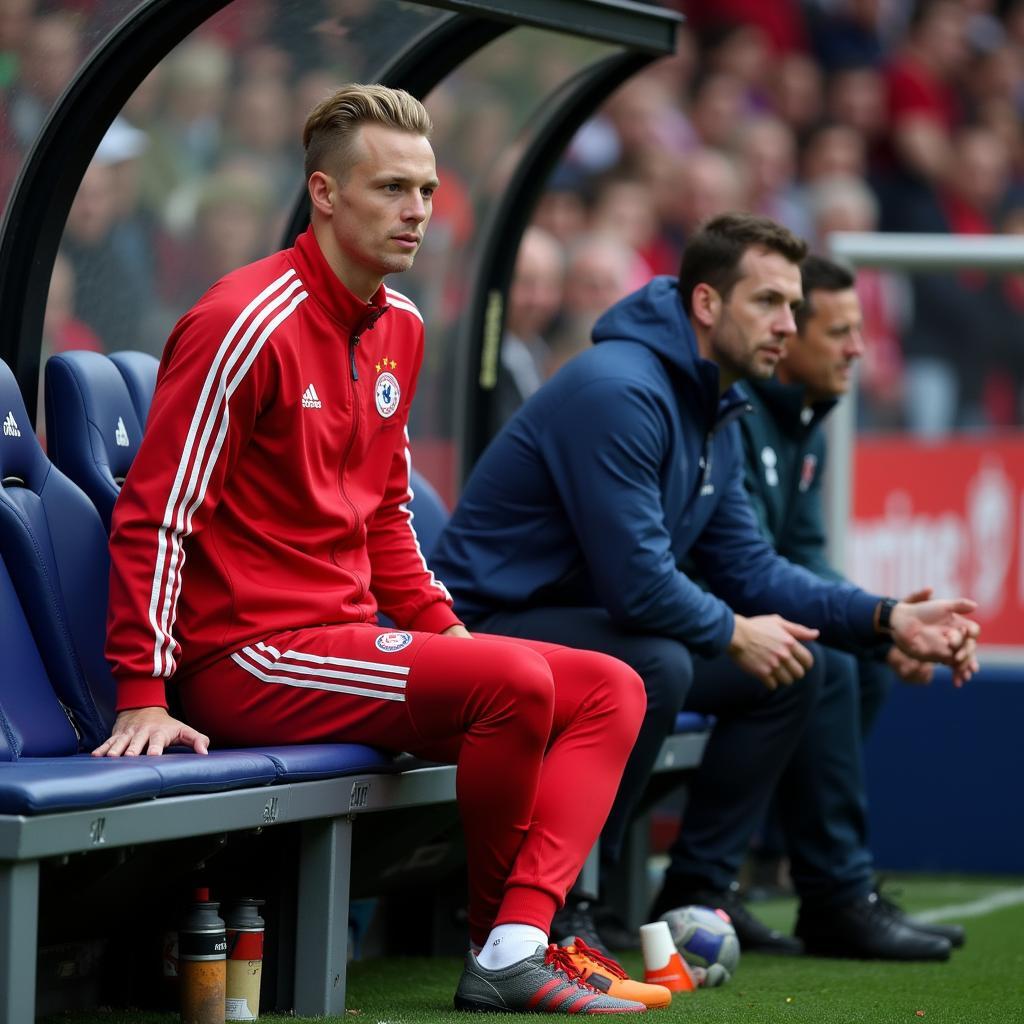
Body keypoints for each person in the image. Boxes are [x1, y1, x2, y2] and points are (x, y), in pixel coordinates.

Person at [95, 83, 658, 1015]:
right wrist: (144, 691)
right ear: (323, 192)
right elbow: (157, 515)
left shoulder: (401, 325)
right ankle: (496, 951)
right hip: (247, 656)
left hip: (343, 643)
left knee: (613, 687)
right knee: (515, 684)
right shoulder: (244, 322)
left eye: (428, 191)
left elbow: (386, 520)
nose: (417, 213)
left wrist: (452, 636)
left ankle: (522, 939)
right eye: (392, 188)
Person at [429, 212, 979, 961]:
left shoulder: (714, 404)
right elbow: (638, 586)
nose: (787, 324)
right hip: (480, 631)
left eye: (792, 306)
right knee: (659, 661)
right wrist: (733, 631)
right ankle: (563, 902)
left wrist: (887, 621)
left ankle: (694, 892)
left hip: (580, 626)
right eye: (768, 303)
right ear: (708, 305)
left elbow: (752, 569)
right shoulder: (621, 390)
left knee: (792, 672)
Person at [733, 254, 965, 958]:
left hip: (750, 614)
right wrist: (876, 620)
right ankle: (833, 892)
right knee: (828, 663)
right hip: (706, 623)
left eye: (859, 330)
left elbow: (805, 555)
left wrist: (879, 629)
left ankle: (785, 868)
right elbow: (743, 570)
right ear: (788, 337)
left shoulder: (805, 419)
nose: (860, 350)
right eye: (839, 333)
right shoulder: (738, 415)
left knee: (862, 663)